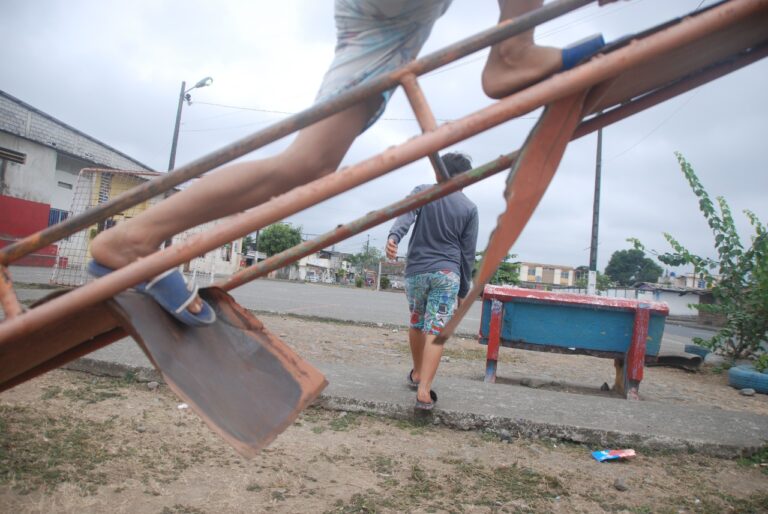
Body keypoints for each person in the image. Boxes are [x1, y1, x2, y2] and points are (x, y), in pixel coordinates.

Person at [90, 0, 603, 325]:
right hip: (385, 20)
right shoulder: (454, 207)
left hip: (381, 32)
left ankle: (133, 238)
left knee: (308, 163)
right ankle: (514, 50)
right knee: (306, 162)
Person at [385, 152, 478, 410]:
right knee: (435, 331)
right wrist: (463, 289)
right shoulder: (469, 208)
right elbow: (467, 253)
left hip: (417, 271)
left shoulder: (423, 191)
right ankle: (424, 391)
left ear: (438, 172)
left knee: (417, 323)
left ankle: (416, 373)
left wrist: (394, 237)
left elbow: (405, 216)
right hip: (447, 274)